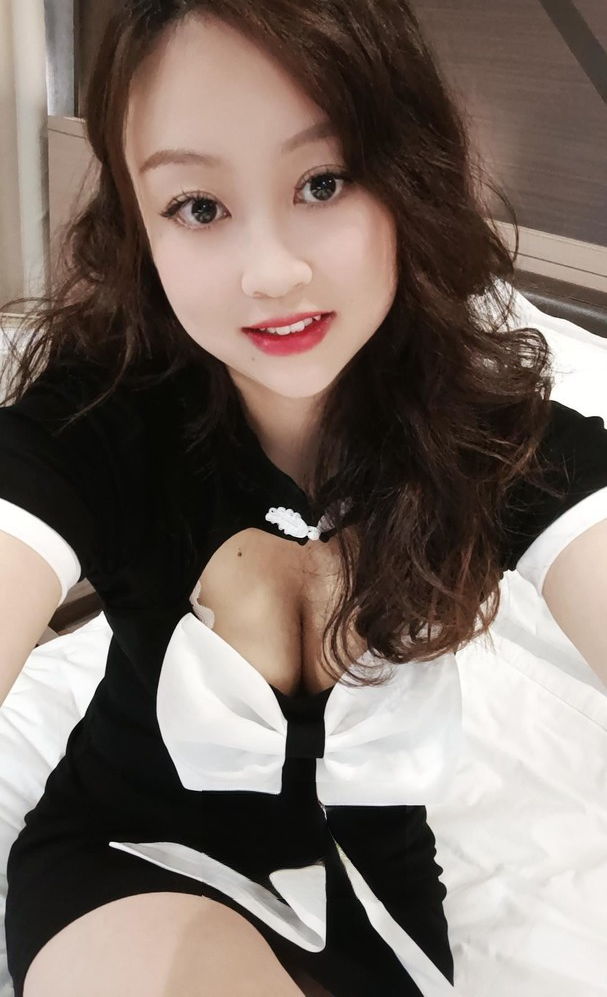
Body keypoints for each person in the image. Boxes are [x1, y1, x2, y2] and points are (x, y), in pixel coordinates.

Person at [1, 1, 606, 995]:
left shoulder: (487, 437)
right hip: (128, 859)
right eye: (198, 206)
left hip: (376, 897)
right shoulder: (94, 426)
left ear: (406, 178)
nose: (271, 272)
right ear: (139, 224)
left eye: (323, 182)